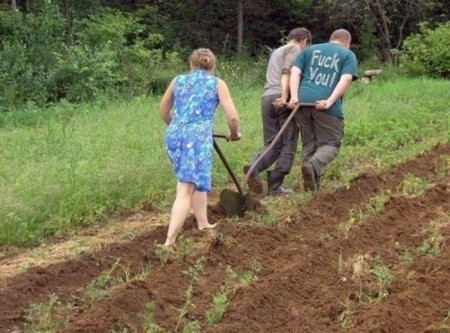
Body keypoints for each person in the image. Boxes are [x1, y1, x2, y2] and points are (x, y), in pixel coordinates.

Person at [159, 48, 241, 247]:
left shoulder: (178, 80)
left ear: (191, 65)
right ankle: (169, 242)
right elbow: (233, 117)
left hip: (174, 136)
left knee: (196, 179)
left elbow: (163, 110)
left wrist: (179, 127)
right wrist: (234, 134)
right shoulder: (216, 83)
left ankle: (203, 223)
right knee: (186, 188)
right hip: (196, 140)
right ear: (213, 66)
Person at [288, 29, 358, 193]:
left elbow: (295, 72)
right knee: (331, 144)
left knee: (309, 144)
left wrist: (294, 97)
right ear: (347, 42)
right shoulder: (348, 55)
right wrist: (329, 101)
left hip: (302, 103)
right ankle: (312, 167)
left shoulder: (310, 50)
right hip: (325, 106)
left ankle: (311, 189)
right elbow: (346, 78)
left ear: (331, 39)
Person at [244, 27, 312, 195]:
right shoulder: (294, 49)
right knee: (288, 143)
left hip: (266, 97)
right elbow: (287, 72)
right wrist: (285, 96)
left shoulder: (277, 51)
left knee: (272, 143)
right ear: (304, 41)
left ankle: (254, 167)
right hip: (281, 98)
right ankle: (275, 186)